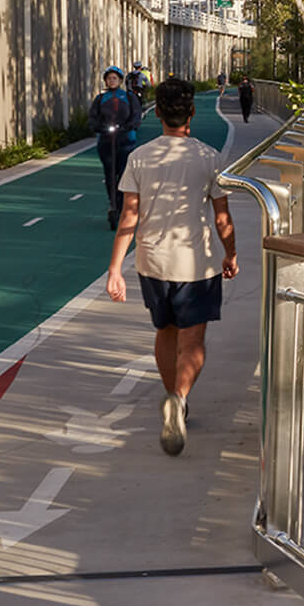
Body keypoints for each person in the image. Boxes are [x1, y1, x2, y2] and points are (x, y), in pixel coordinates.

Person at [103, 78, 236, 455]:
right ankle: (178, 398)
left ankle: (170, 395)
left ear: (156, 112)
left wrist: (115, 269)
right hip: (196, 263)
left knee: (165, 331)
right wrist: (232, 254)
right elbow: (222, 217)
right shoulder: (209, 157)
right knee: (193, 341)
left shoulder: (140, 158)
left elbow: (130, 214)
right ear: (192, 113)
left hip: (152, 262)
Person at [92, 66, 139, 228]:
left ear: (120, 80)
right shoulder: (100, 98)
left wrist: (129, 126)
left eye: (114, 78)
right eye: (109, 78)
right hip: (106, 141)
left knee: (123, 173)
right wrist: (99, 127)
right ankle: (113, 203)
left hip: (126, 140)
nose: (111, 81)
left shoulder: (128, 97)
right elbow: (93, 118)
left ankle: (122, 204)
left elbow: (136, 116)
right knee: (110, 173)